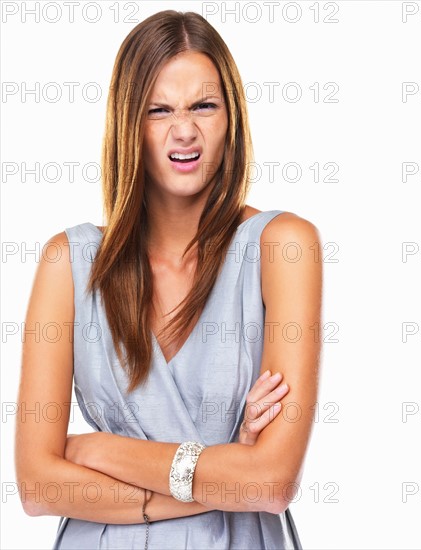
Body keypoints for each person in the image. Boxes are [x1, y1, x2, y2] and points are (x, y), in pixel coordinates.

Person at [14, 9, 322, 550]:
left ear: (232, 119)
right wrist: (221, 479)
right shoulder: (68, 261)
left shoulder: (283, 247)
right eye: (159, 110)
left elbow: (272, 482)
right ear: (129, 124)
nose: (185, 130)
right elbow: (38, 485)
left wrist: (98, 450)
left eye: (204, 105)